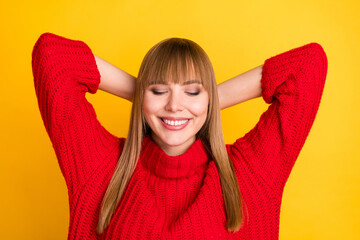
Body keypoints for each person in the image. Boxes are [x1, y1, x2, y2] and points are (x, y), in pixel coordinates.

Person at [32, 33, 328, 239]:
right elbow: (52, 56)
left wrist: (206, 103)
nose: (174, 104)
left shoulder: (249, 174)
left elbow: (308, 65)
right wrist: (149, 98)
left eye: (192, 90)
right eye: (159, 90)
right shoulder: (101, 167)